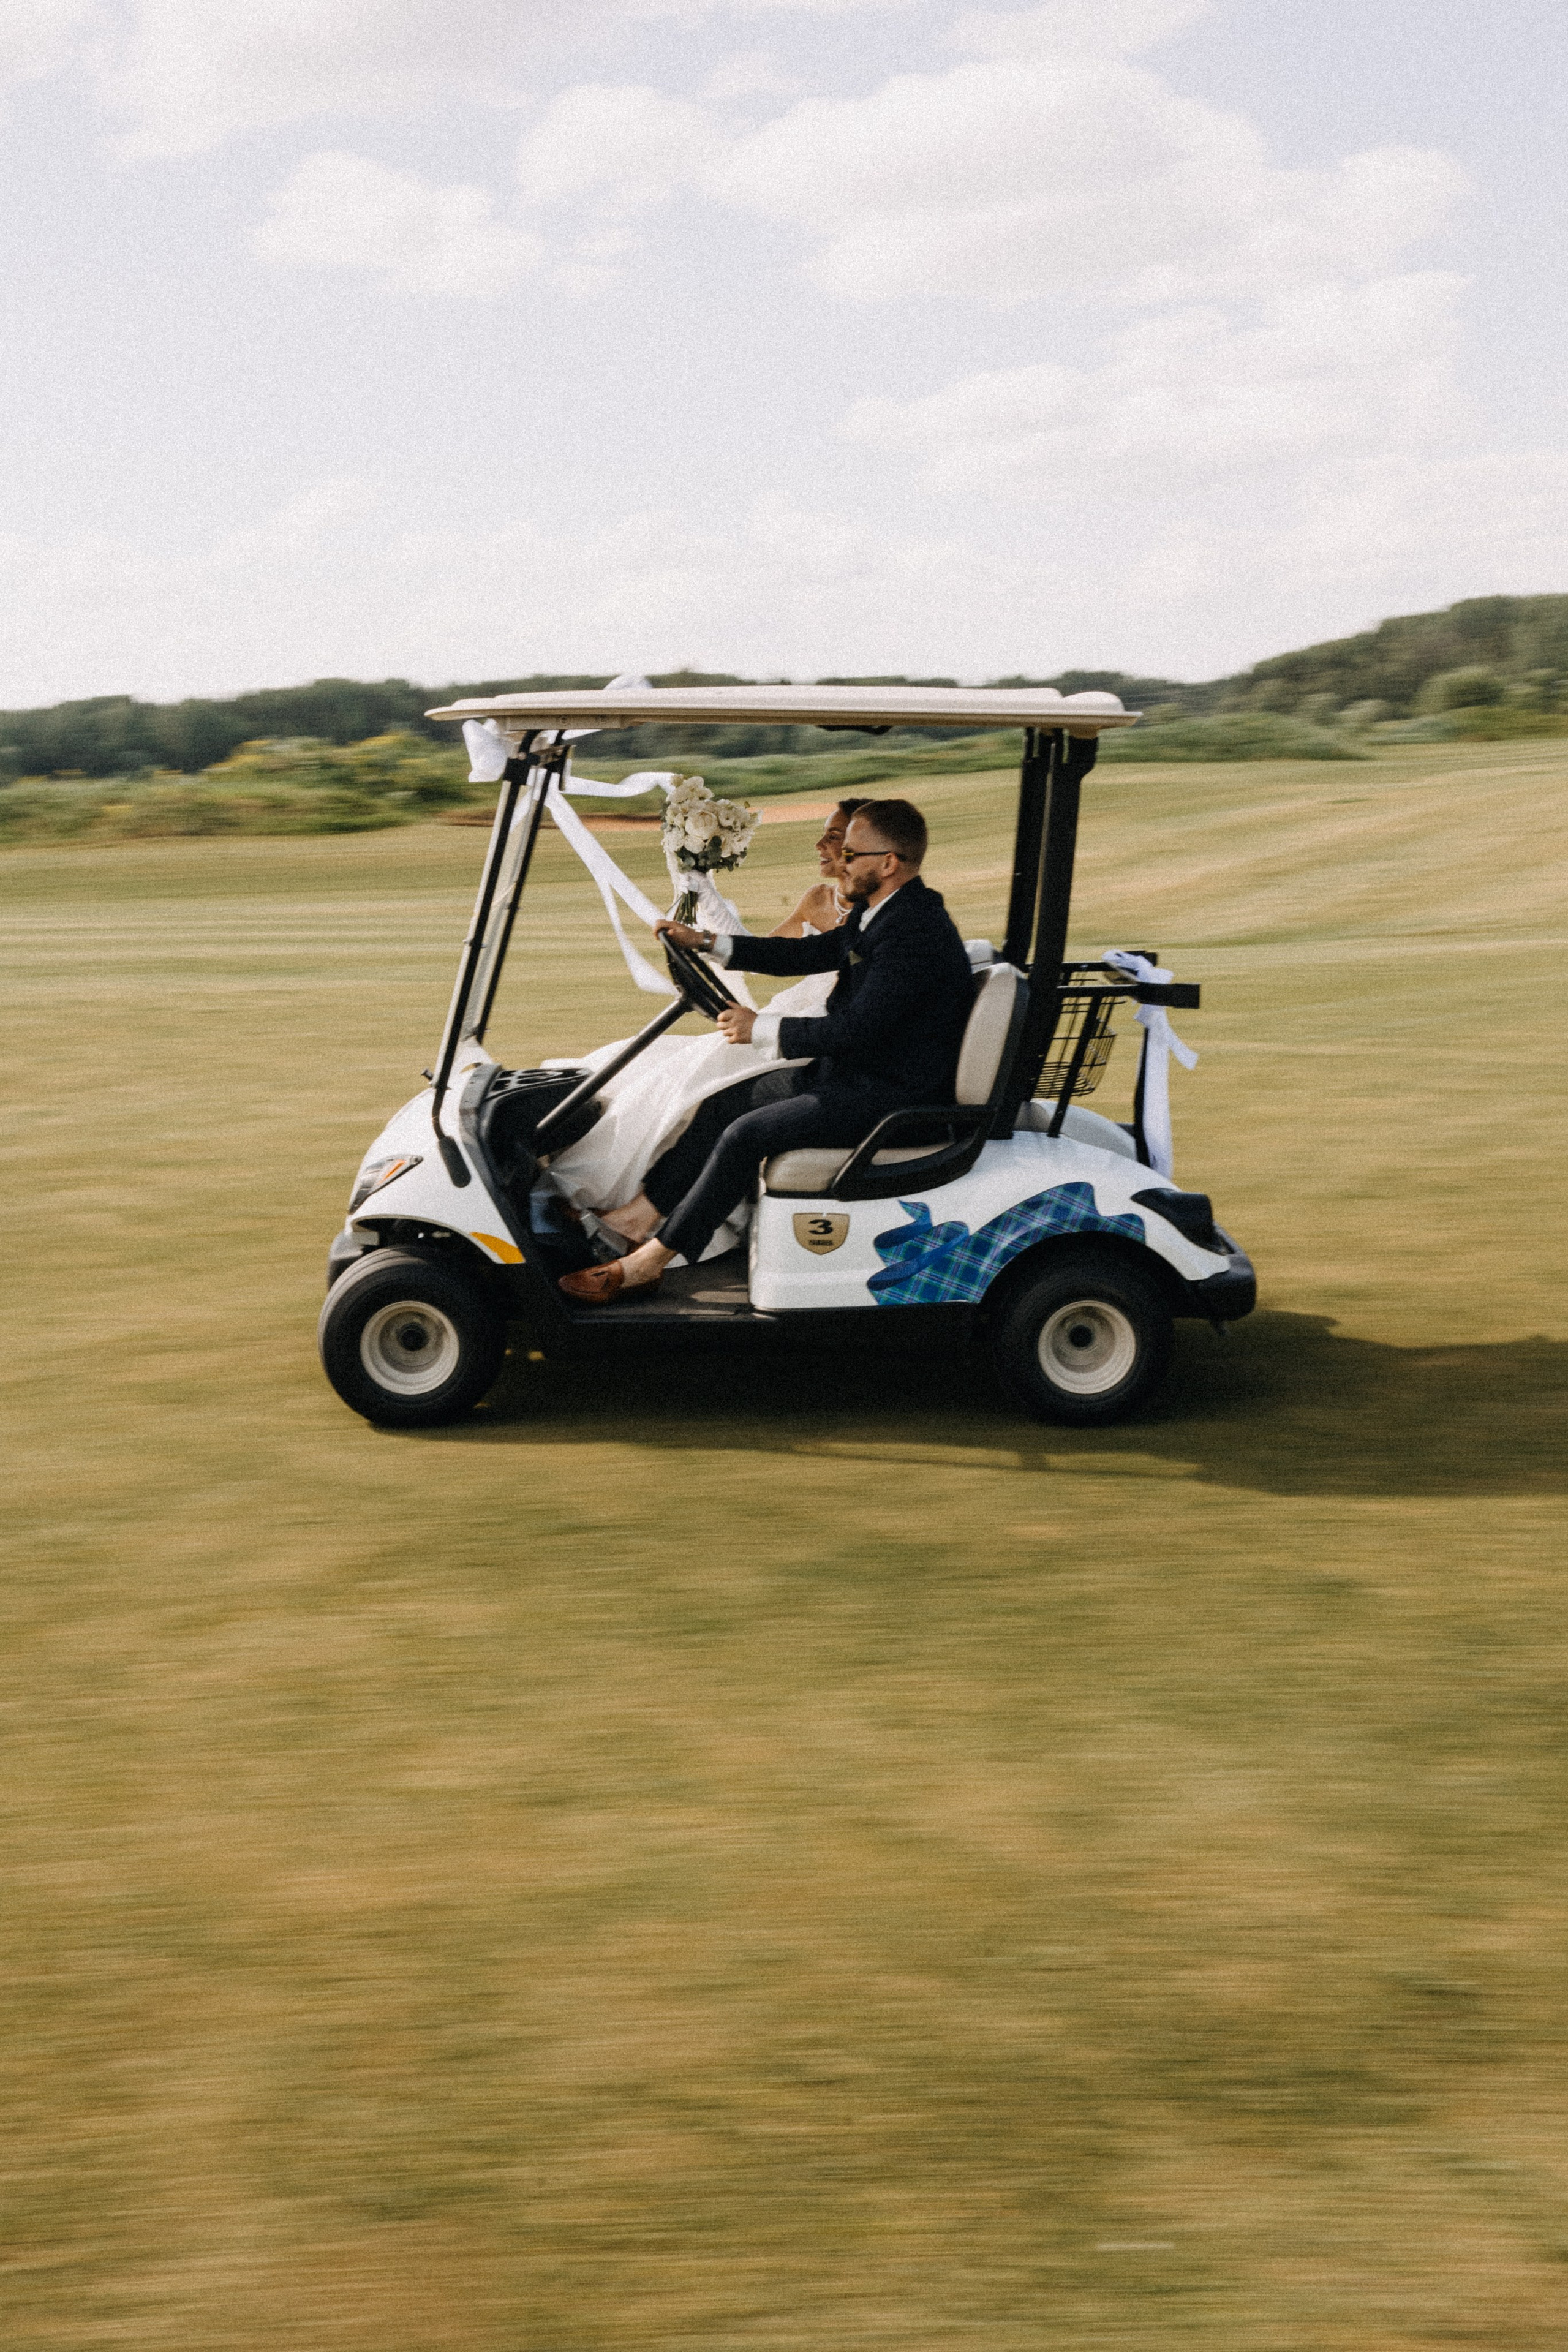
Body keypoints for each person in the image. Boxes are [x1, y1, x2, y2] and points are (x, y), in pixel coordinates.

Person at [559, 798, 975, 1303]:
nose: (840, 862)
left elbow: (855, 1030)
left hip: (892, 1095)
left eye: (851, 853)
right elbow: (805, 952)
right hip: (859, 1074)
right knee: (722, 1104)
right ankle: (635, 1220)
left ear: (888, 863)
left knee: (745, 1134)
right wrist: (708, 942)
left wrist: (763, 1028)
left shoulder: (915, 931)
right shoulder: (885, 914)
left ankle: (650, 1262)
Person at [542, 800, 869, 1244]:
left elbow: (853, 1013)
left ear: (861, 848)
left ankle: (626, 1211)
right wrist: (701, 898)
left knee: (699, 1080)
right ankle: (623, 1205)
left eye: (833, 837)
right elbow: (767, 953)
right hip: (782, 1021)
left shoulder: (880, 920)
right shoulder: (819, 899)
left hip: (812, 1037)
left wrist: (764, 1028)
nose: (820, 845)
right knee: (640, 1060)